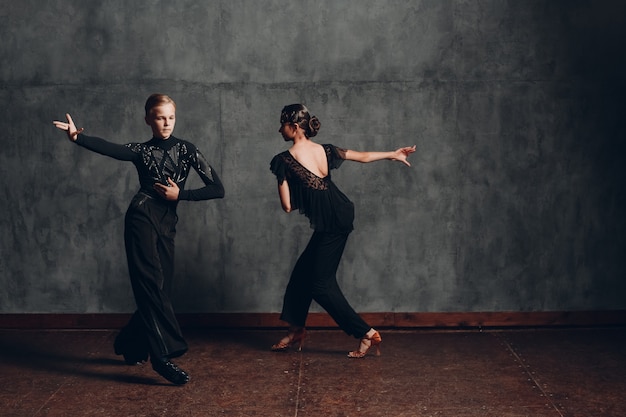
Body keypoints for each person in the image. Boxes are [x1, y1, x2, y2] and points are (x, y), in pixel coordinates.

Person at [53, 94, 225, 384]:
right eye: (160, 117)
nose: (166, 123)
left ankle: (128, 341)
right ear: (148, 119)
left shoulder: (187, 150)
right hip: (141, 218)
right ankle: (162, 359)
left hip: (167, 223)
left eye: (170, 117)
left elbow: (217, 188)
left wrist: (181, 195)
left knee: (162, 290)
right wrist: (77, 138)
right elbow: (112, 149)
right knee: (150, 287)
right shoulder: (141, 151)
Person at [269, 104, 415, 358]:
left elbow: (287, 206)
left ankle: (366, 333)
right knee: (302, 273)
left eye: (282, 124)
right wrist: (392, 154)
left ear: (293, 127)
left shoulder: (283, 161)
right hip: (339, 212)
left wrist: (284, 179)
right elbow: (364, 156)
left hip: (333, 221)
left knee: (320, 285)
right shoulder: (325, 150)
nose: (279, 129)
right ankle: (296, 330)